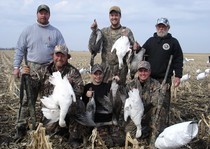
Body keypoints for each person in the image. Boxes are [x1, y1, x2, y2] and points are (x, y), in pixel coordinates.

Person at [13, 4, 65, 140]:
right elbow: (19, 49)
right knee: (26, 100)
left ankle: (47, 126)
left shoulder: (55, 32)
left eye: (46, 13)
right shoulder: (28, 31)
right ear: (37, 14)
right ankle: (21, 126)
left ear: (49, 15)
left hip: (49, 70)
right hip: (32, 69)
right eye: (41, 13)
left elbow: (63, 52)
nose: (43, 15)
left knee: (49, 101)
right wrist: (16, 67)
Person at [19, 45, 87, 147]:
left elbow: (80, 90)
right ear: (53, 56)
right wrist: (25, 76)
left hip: (67, 107)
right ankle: (60, 129)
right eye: (57, 55)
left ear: (67, 58)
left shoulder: (73, 72)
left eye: (62, 56)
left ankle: (74, 137)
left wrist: (68, 86)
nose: (59, 58)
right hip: (51, 109)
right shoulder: (43, 70)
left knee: (79, 105)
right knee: (50, 133)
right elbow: (31, 88)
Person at [142, 17, 183, 127]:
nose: (161, 28)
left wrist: (178, 76)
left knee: (162, 107)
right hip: (150, 80)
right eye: (159, 26)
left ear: (168, 28)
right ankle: (146, 127)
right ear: (156, 27)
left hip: (164, 81)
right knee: (147, 105)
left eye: (163, 26)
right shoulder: (150, 41)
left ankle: (161, 128)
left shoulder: (173, 42)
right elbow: (141, 54)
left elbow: (178, 59)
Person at [89, 6, 140, 85]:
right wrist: (94, 31)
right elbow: (93, 48)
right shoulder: (104, 31)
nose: (114, 17)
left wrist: (136, 47)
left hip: (120, 69)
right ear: (109, 17)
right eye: (112, 15)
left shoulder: (127, 31)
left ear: (120, 16)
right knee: (105, 93)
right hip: (105, 69)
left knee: (119, 93)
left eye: (116, 15)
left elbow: (134, 48)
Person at [125, 61, 165, 148]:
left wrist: (143, 110)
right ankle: (144, 132)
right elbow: (126, 102)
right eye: (141, 71)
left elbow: (155, 100)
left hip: (148, 113)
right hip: (134, 114)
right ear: (137, 72)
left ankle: (153, 135)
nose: (143, 73)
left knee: (160, 110)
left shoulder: (155, 84)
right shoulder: (130, 84)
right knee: (128, 133)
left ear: (149, 72)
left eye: (145, 71)